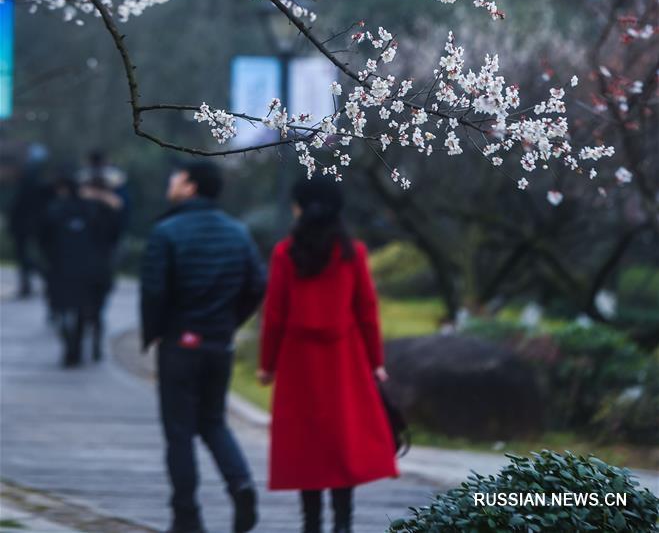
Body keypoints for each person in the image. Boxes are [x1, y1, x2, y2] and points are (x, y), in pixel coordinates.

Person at [258, 176, 398, 533]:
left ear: (302, 208)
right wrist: (375, 361)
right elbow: (367, 309)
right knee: (341, 443)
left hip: (297, 363)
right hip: (344, 360)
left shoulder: (284, 253)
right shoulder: (354, 253)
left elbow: (274, 314)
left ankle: (311, 525)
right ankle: (343, 524)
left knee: (306, 444)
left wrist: (267, 365)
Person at [141, 160, 265, 533]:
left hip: (180, 343)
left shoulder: (166, 231)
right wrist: (228, 324)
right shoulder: (238, 232)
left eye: (176, 177)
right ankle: (240, 484)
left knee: (179, 433)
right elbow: (257, 285)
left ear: (191, 187)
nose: (171, 182)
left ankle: (186, 517)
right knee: (213, 422)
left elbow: (154, 290)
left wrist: (155, 332)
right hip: (218, 344)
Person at [42, 169, 123, 366]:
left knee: (65, 310)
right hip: (91, 270)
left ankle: (73, 346)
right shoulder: (95, 210)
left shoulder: (55, 210)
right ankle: (78, 346)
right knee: (86, 310)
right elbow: (112, 236)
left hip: (62, 270)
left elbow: (43, 239)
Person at [8, 143, 50, 298]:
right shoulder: (37, 176)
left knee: (25, 255)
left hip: (25, 223)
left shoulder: (30, 175)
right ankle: (30, 283)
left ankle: (38, 280)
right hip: (31, 222)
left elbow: (20, 203)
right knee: (26, 255)